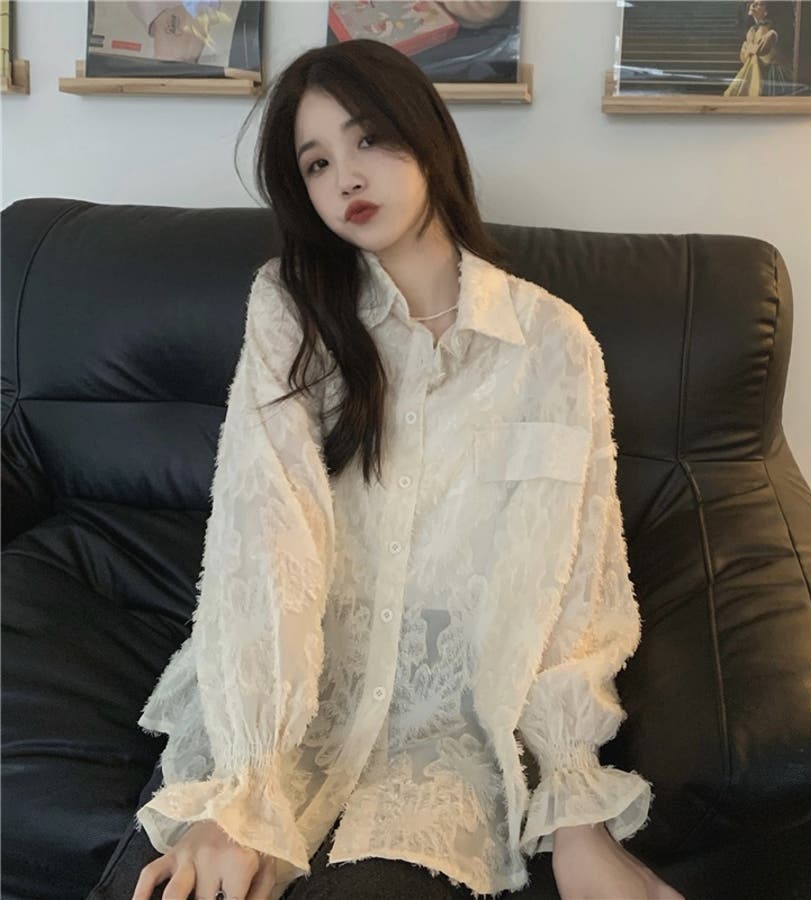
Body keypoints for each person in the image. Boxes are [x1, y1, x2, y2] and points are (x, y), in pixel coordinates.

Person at [88, 37, 684, 900]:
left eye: (368, 138)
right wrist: (242, 790)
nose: (347, 178)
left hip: (445, 750)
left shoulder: (552, 344)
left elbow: (573, 585)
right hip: (277, 721)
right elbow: (264, 535)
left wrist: (576, 812)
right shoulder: (291, 311)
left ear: (428, 137)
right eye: (318, 162)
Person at [724, 0, 791, 96]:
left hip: (768, 68)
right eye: (752, 3)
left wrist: (773, 34)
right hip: (753, 65)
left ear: (766, 11)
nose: (753, 5)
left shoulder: (767, 28)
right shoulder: (751, 30)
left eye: (759, 4)